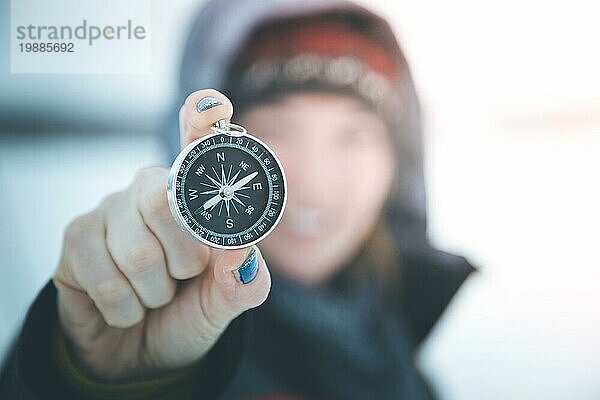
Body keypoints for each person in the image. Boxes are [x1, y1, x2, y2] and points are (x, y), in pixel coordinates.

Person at [0, 0, 477, 399]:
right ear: (210, 154)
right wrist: (85, 375)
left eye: (354, 135)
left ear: (399, 162)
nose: (313, 182)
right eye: (276, 131)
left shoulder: (400, 352)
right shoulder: (158, 337)